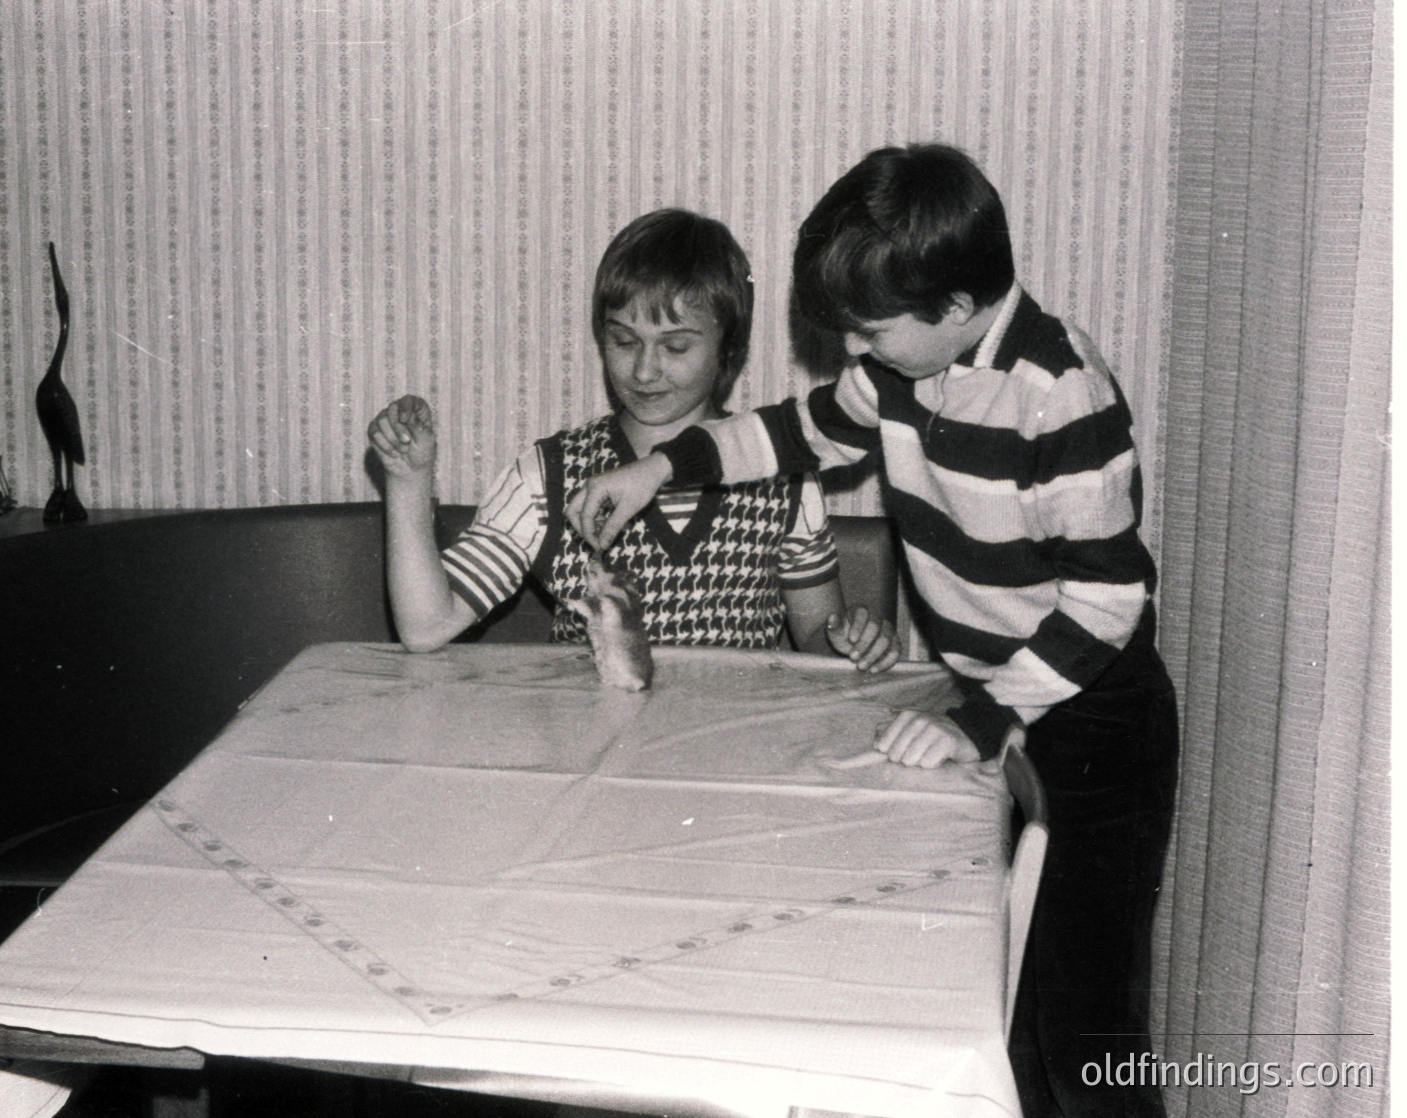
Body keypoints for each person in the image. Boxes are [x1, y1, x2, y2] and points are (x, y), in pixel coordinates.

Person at [567, 146, 1179, 1118]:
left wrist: (983, 720)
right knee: (1002, 1006)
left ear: (955, 303)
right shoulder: (902, 368)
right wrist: (657, 471)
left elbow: (1111, 599)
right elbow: (788, 430)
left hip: (1091, 715)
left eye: (870, 327)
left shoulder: (1059, 388)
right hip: (995, 703)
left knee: (1088, 1029)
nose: (855, 348)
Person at [368, 207, 897, 666]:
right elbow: (425, 627)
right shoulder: (548, 475)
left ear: (728, 352)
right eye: (624, 340)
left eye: (676, 347)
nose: (644, 372)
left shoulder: (782, 475)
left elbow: (816, 638)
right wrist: (409, 481)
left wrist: (850, 641)